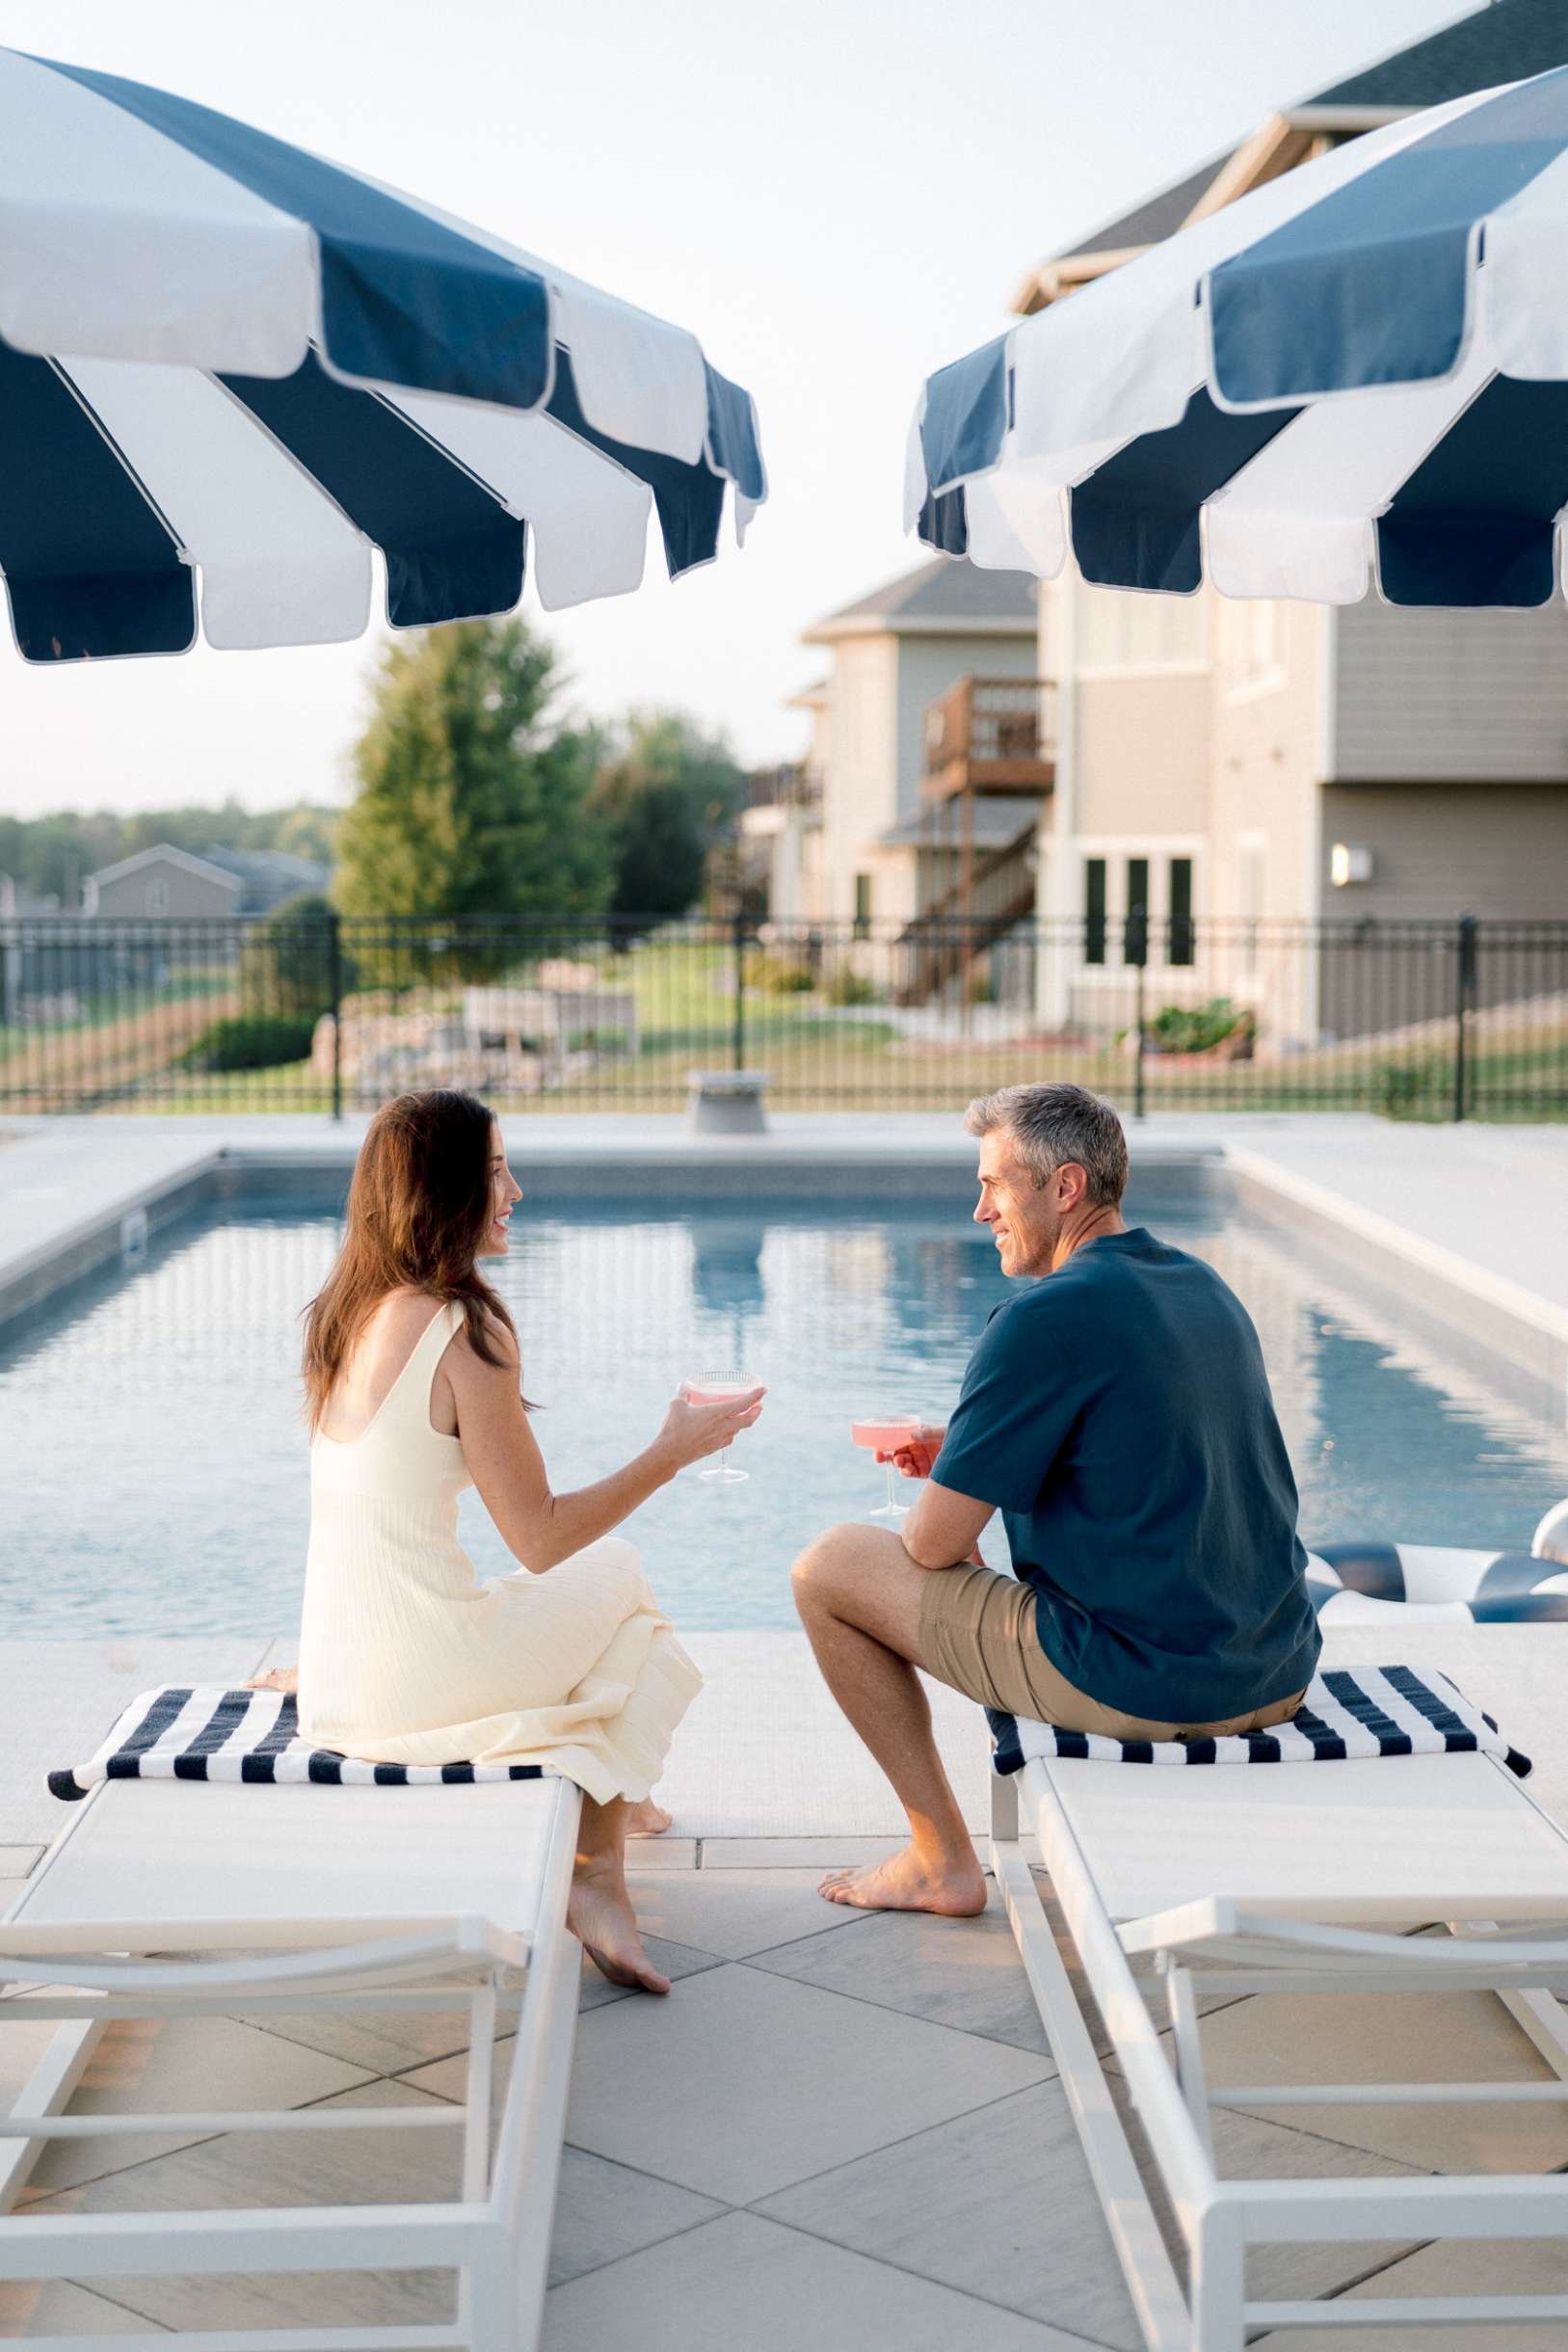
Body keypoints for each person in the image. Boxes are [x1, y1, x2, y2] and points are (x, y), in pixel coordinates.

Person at [262, 1088, 761, 1993]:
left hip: (342, 1685)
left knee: (600, 1620)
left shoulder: (345, 1317)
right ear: (442, 1189)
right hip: (418, 1684)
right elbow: (541, 1540)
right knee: (624, 1589)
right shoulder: (464, 1327)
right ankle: (598, 1872)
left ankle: (622, 1805)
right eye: (494, 1171)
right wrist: (671, 1451)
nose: (516, 1191)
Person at [791, 1081, 1318, 1920]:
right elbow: (1146, 1445)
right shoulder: (1199, 1284)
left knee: (831, 1568)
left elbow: (930, 1547)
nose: (979, 1210)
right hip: (1275, 1665)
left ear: (1063, 1187)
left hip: (1150, 1684)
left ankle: (939, 1863)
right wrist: (966, 1450)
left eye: (994, 1185)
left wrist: (956, 1481)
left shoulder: (1041, 1318)